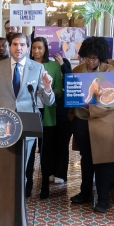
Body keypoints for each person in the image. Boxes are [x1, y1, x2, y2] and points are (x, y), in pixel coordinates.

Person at [0, 33, 55, 189]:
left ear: (27, 48)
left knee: (22, 165)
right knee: (6, 163)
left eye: (22, 45)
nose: (18, 48)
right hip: (4, 122)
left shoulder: (38, 68)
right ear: (9, 46)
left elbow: (48, 101)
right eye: (14, 44)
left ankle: (19, 199)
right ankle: (5, 197)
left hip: (28, 122)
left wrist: (47, 88)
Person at [68, 37, 114, 213]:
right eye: (87, 57)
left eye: (94, 58)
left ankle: (103, 199)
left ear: (100, 57)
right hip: (82, 123)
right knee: (86, 159)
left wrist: (89, 106)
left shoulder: (110, 71)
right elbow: (71, 94)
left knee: (103, 162)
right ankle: (85, 193)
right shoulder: (77, 70)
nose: (90, 61)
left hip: (102, 123)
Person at [28, 37, 64, 199]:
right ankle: (27, 185)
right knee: (28, 151)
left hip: (47, 111)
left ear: (45, 49)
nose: (36, 51)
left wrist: (48, 92)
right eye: (34, 48)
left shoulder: (54, 66)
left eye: (39, 48)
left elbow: (59, 89)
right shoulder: (26, 64)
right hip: (29, 111)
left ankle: (44, 187)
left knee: (45, 151)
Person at [50, 51, 73, 185]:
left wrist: (63, 65)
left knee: (62, 146)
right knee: (51, 145)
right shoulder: (51, 81)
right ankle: (51, 171)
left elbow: (71, 78)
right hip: (50, 116)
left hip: (65, 118)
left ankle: (61, 173)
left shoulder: (68, 82)